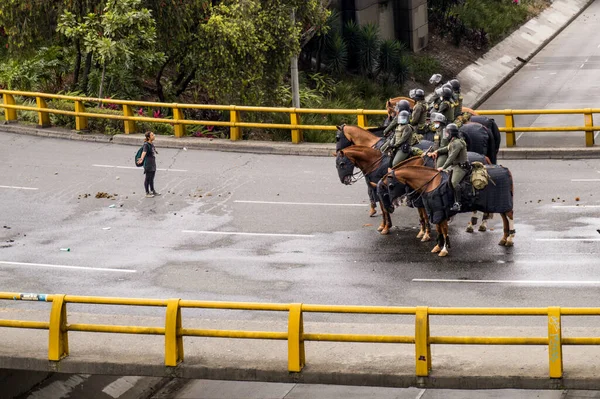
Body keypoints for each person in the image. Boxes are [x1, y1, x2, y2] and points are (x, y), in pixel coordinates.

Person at [430, 123, 468, 211]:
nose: (446, 135)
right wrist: (437, 152)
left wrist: (443, 167)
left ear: (452, 133)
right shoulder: (452, 142)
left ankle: (458, 203)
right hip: (454, 166)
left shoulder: (457, 143)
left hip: (460, 167)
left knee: (454, 182)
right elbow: (446, 148)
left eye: (447, 133)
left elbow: (451, 157)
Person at [137, 131, 160, 198]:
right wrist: (141, 159)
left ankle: (153, 191)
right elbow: (144, 152)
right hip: (148, 164)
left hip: (152, 163)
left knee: (152, 178)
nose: (154, 136)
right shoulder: (146, 145)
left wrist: (155, 151)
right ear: (148, 137)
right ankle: (147, 192)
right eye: (152, 135)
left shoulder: (151, 143)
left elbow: (152, 149)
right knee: (148, 178)